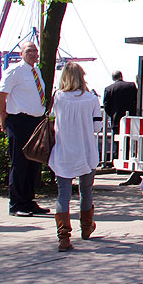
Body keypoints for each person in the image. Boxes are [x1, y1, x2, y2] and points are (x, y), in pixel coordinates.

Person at [48, 62, 104, 251]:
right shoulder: (91, 99)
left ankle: (64, 236)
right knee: (86, 190)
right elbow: (97, 127)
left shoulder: (57, 98)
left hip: (63, 152)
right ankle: (86, 227)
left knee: (63, 194)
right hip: (86, 152)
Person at [0, 41, 50, 217]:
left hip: (35, 122)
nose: (33, 53)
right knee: (19, 163)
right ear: (21, 53)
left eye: (35, 50)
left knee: (33, 163)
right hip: (19, 121)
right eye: (29, 50)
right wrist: (3, 118)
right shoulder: (14, 71)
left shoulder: (36, 71)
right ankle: (17, 203)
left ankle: (28, 200)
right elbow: (0, 95)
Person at [103, 70, 137, 165]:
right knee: (130, 141)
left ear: (113, 78)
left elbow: (106, 106)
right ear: (121, 76)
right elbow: (136, 100)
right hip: (131, 119)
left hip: (116, 119)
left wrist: (112, 115)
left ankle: (117, 162)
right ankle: (129, 161)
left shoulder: (108, 89)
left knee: (117, 142)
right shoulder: (131, 86)